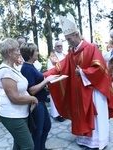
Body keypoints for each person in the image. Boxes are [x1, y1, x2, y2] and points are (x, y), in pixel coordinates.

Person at [43, 13, 113, 150]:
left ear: (76, 35)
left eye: (69, 39)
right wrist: (44, 76)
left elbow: (100, 69)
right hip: (80, 91)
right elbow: (61, 66)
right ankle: (85, 139)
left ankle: (97, 142)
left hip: (94, 91)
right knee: (80, 114)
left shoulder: (91, 48)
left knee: (96, 117)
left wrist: (82, 72)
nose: (68, 42)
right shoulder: (72, 52)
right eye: (66, 40)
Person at [0, 38, 38, 150]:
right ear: (9, 52)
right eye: (17, 50)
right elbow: (14, 98)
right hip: (12, 116)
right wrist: (32, 99)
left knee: (19, 145)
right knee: (28, 146)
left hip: (20, 114)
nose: (19, 53)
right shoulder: (6, 71)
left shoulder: (12, 68)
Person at [20, 42, 58, 150]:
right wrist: (46, 81)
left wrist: (47, 82)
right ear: (30, 54)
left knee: (46, 127)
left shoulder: (31, 66)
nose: (37, 53)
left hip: (41, 102)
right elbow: (31, 90)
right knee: (38, 131)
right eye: (35, 51)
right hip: (36, 103)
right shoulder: (26, 68)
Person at [47, 40, 66, 122]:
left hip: (65, 80)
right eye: (58, 46)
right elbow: (50, 69)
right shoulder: (52, 57)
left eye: (61, 45)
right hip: (57, 80)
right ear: (55, 47)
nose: (60, 47)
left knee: (65, 97)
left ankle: (65, 112)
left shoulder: (65, 55)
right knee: (56, 97)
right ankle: (57, 114)